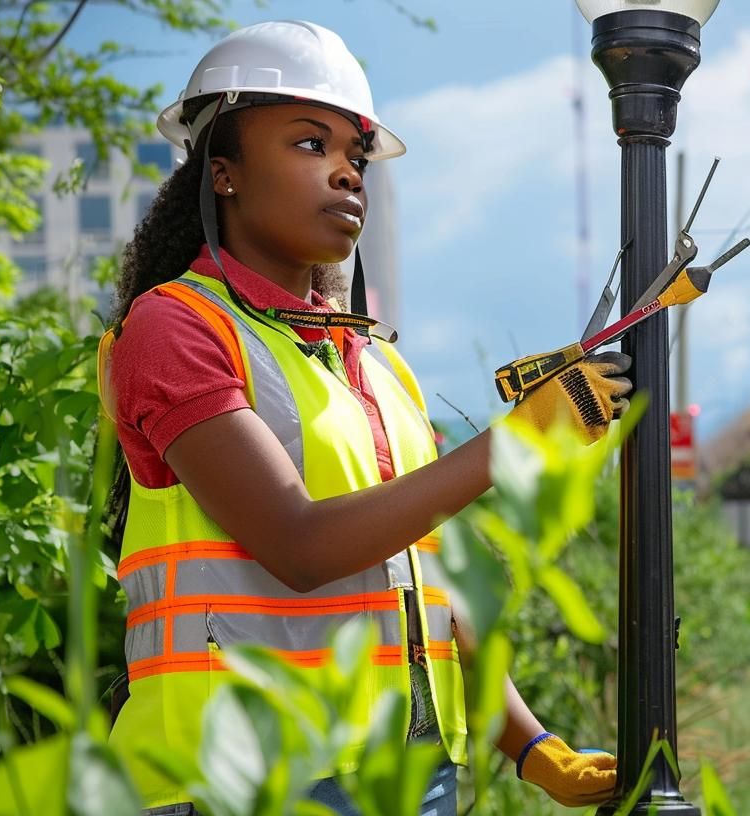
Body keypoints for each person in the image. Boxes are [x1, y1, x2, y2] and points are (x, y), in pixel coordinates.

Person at [97, 20, 631, 816]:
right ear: (224, 173)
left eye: (356, 155)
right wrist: (517, 439)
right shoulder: (173, 329)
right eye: (311, 145)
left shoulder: (377, 366)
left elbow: (427, 583)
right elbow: (299, 546)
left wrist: (533, 746)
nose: (347, 174)